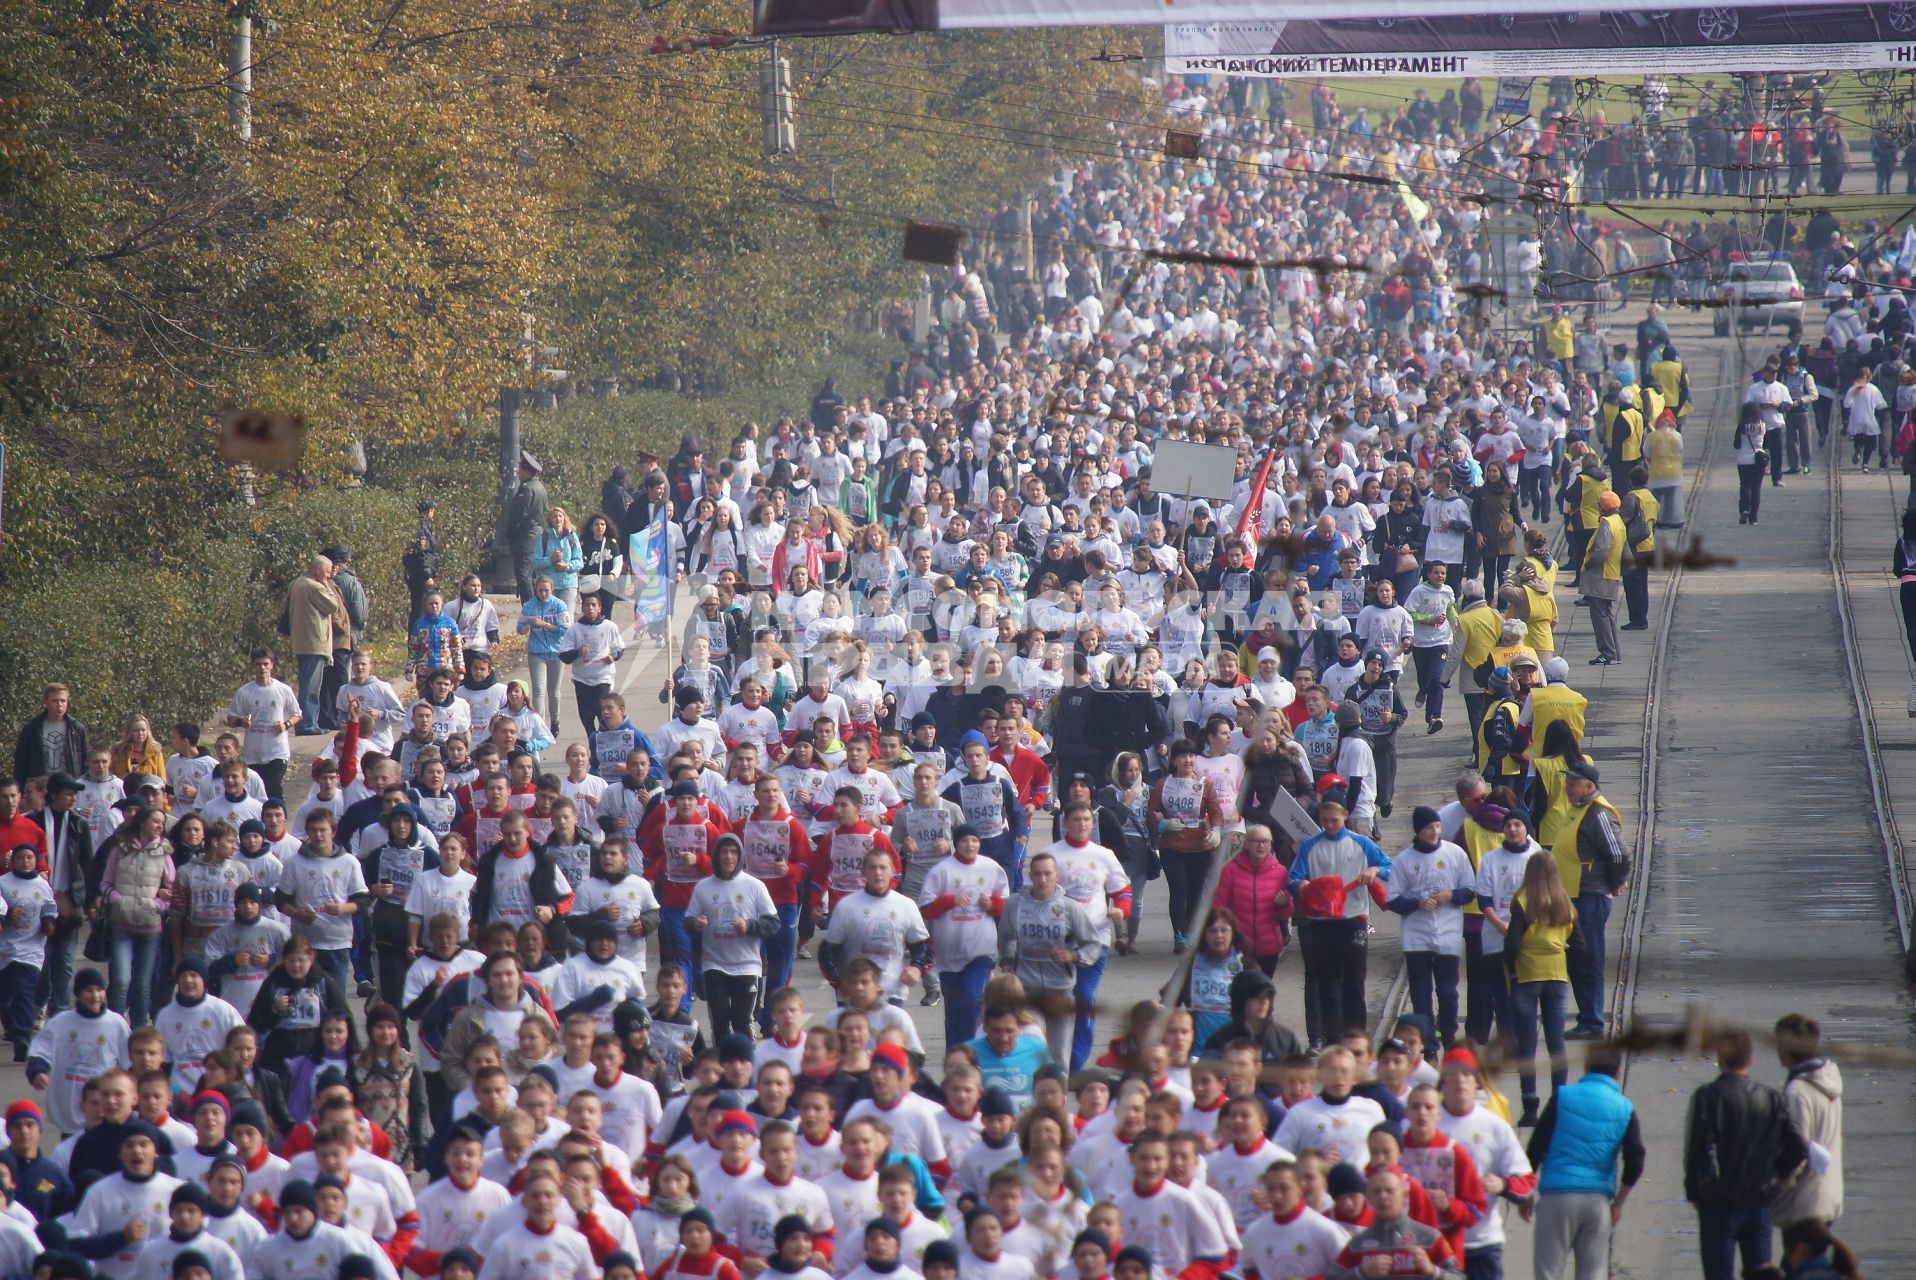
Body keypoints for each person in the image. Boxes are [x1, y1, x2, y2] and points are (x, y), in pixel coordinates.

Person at [1683, 1028, 1809, 1280]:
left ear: (1720, 1059)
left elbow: (1697, 1150)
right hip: (1759, 1201)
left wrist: (1695, 1191)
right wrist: (1775, 1175)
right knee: (1761, 1271)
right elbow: (1798, 1147)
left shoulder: (1707, 1097)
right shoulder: (1771, 1098)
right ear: (1750, 1059)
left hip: (1719, 1202)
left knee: (1718, 1273)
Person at [1527, 1043, 1645, 1280]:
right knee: (1593, 1273)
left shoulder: (1563, 1097)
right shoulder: (1625, 1108)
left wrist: (1525, 1192)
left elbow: (1535, 1148)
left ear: (1586, 1067)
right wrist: (1619, 1203)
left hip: (1556, 1198)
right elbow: (1636, 1160)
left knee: (1548, 1272)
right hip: (1597, 1201)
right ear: (1618, 1073)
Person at [1286, 798, 1390, 1050]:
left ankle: (1356, 1035)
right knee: (1327, 981)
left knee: (1355, 979)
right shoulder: (1311, 845)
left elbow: (1388, 865)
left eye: (1334, 820)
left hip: (1354, 918)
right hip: (1322, 920)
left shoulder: (1361, 843)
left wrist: (1373, 871)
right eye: (1325, 821)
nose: (1330, 825)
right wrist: (1302, 885)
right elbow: (1293, 876)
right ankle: (1332, 1037)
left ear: (1345, 815)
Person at [996, 851, 1101, 1066]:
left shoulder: (1070, 908)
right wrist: (1007, 961)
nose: (1042, 879)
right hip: (1025, 990)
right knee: (1029, 1048)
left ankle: (1058, 1096)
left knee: (1059, 1054)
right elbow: (1004, 936)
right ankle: (1029, 1096)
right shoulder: (1015, 904)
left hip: (1059, 991)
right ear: (1030, 876)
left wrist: (1073, 955)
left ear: (1056, 876)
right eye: (1037, 874)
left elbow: (1093, 944)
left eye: (1047, 874)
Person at [1549, 761, 1628, 1040]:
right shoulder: (1579, 809)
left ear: (1589, 787)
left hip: (1589, 897)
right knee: (1577, 959)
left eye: (1572, 783)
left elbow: (1619, 855)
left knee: (1589, 959)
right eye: (1567, 782)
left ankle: (1593, 1021)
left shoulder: (1597, 814)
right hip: (1571, 895)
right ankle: (1586, 1018)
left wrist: (1616, 882)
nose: (1567, 788)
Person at [1771, 1013, 1844, 1232]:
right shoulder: (1829, 1080)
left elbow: (1797, 1150)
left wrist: (1775, 1187)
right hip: (1829, 1193)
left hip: (1804, 1202)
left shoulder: (1797, 1091)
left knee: (1799, 1264)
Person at [284, 555, 350, 737]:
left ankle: (309, 721)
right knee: (311, 687)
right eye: (327, 572)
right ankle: (307, 723)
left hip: (304, 640)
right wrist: (327, 586)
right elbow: (332, 606)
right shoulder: (313, 586)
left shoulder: (298, 583)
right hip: (314, 642)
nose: (329, 576)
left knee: (309, 683)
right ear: (317, 570)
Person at [14, 682, 91, 784]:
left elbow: (86, 759)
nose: (59, 705)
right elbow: (21, 761)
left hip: (69, 784)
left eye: (63, 701)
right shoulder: (32, 728)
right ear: (45, 702)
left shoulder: (76, 728)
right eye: (55, 701)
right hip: (41, 786)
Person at [506, 451, 550, 600]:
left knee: (523, 575)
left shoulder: (526, 488)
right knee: (532, 574)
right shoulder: (540, 487)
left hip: (525, 538)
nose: (518, 472)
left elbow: (519, 514)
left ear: (527, 471)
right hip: (536, 536)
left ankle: (530, 607)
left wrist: (509, 531)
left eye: (520, 469)